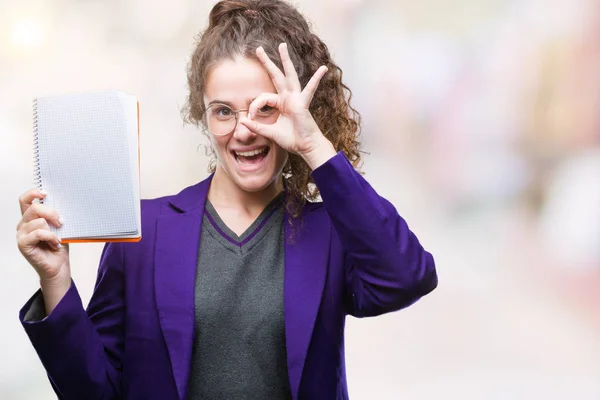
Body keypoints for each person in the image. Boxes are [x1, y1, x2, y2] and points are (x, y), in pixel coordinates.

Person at [16, 0, 437, 399]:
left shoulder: (328, 233)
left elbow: (407, 278)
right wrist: (55, 280)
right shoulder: (144, 235)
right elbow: (92, 391)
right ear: (202, 114)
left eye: (264, 108)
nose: (244, 130)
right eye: (223, 111)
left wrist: (314, 145)